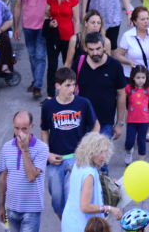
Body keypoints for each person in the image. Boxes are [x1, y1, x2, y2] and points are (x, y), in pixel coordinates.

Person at [41, 67, 100, 219]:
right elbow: (44, 131)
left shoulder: (83, 103)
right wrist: (47, 153)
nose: (71, 89)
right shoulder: (48, 106)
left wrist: (87, 147)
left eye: (73, 85)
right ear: (57, 86)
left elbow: (96, 126)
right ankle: (63, 220)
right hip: (56, 159)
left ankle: (69, 224)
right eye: (67, 85)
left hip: (76, 158)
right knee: (57, 198)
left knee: (70, 196)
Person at [0, 111, 48, 232]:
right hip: (10, 208)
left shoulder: (42, 148)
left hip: (32, 210)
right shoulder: (6, 147)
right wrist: (1, 206)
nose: (20, 133)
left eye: (24, 128)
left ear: (32, 127)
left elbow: (31, 176)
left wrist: (24, 149)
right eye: (17, 128)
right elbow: (3, 178)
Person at [61, 133, 123, 232]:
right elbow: (85, 207)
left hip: (70, 221)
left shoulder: (78, 164)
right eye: (99, 152)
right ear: (90, 151)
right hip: (83, 226)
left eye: (105, 152)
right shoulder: (89, 174)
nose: (103, 156)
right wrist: (110, 208)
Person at [14, 0, 51, 99]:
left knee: (40, 56)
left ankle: (37, 86)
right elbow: (17, 5)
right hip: (28, 26)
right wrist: (16, 27)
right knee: (32, 55)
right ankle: (37, 80)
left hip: (43, 26)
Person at [43, 0, 80, 98]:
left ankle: (69, 92)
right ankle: (50, 95)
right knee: (52, 65)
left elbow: (76, 19)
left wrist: (76, 37)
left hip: (68, 37)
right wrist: (50, 20)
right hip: (53, 36)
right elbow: (46, 14)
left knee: (68, 64)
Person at [123, 65, 149, 162]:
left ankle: (141, 161)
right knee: (129, 141)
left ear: (146, 78)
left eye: (143, 77)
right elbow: (121, 101)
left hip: (144, 121)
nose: (141, 80)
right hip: (131, 120)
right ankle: (128, 151)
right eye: (138, 77)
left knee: (141, 141)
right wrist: (121, 118)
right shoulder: (129, 89)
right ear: (133, 77)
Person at [114, 5, 149, 81]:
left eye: (147, 18)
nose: (146, 21)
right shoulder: (127, 36)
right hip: (132, 76)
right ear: (135, 21)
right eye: (142, 19)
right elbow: (118, 55)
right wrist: (129, 62)